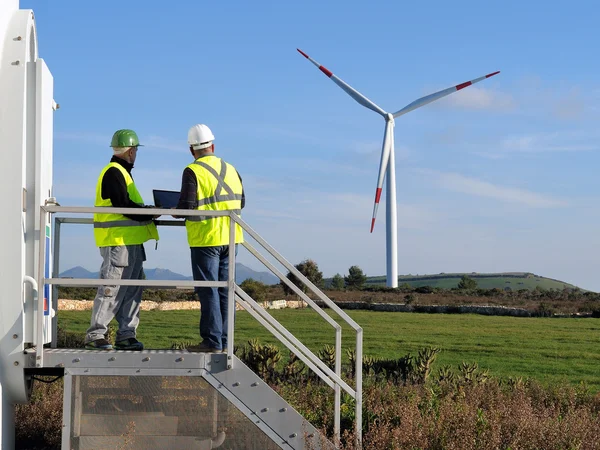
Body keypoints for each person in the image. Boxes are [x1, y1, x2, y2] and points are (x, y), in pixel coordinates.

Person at [85, 129, 160, 350]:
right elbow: (123, 205)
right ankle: (95, 334)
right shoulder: (113, 172)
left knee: (132, 289)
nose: (135, 154)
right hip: (118, 242)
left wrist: (148, 211)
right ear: (130, 151)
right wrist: (149, 212)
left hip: (131, 243)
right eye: (135, 150)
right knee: (112, 287)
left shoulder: (122, 173)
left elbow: (127, 205)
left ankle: (126, 335)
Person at [175, 124, 244, 353]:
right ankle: (225, 342)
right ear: (212, 146)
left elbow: (186, 207)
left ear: (191, 150)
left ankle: (212, 342)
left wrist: (173, 210)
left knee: (209, 290)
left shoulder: (192, 171)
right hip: (232, 238)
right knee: (226, 290)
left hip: (206, 238)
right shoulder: (232, 168)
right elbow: (241, 201)